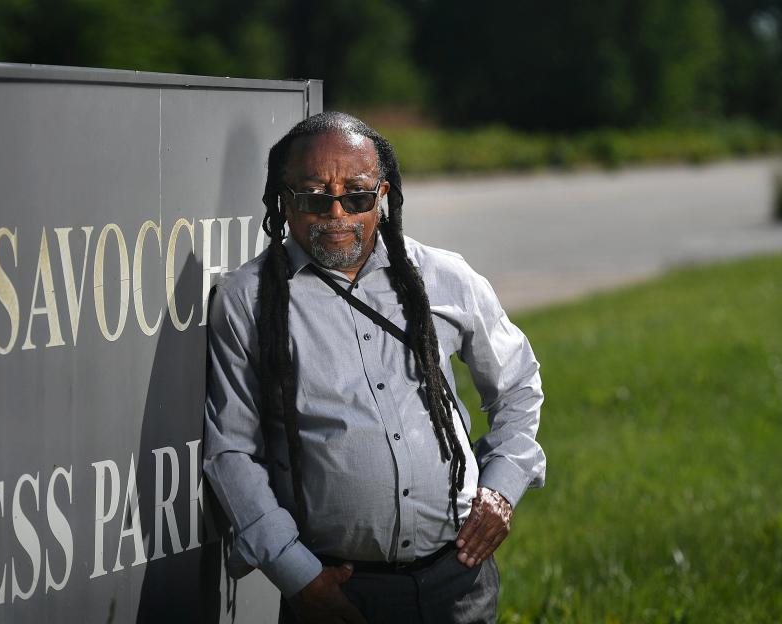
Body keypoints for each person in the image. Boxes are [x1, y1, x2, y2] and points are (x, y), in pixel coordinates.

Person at [203, 111, 545, 624]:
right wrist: (299, 577)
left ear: (383, 196)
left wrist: (500, 487)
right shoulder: (248, 301)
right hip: (337, 592)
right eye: (315, 197)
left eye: (357, 197)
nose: (336, 213)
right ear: (283, 198)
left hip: (459, 583)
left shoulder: (444, 277)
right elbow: (231, 452)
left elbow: (518, 383)